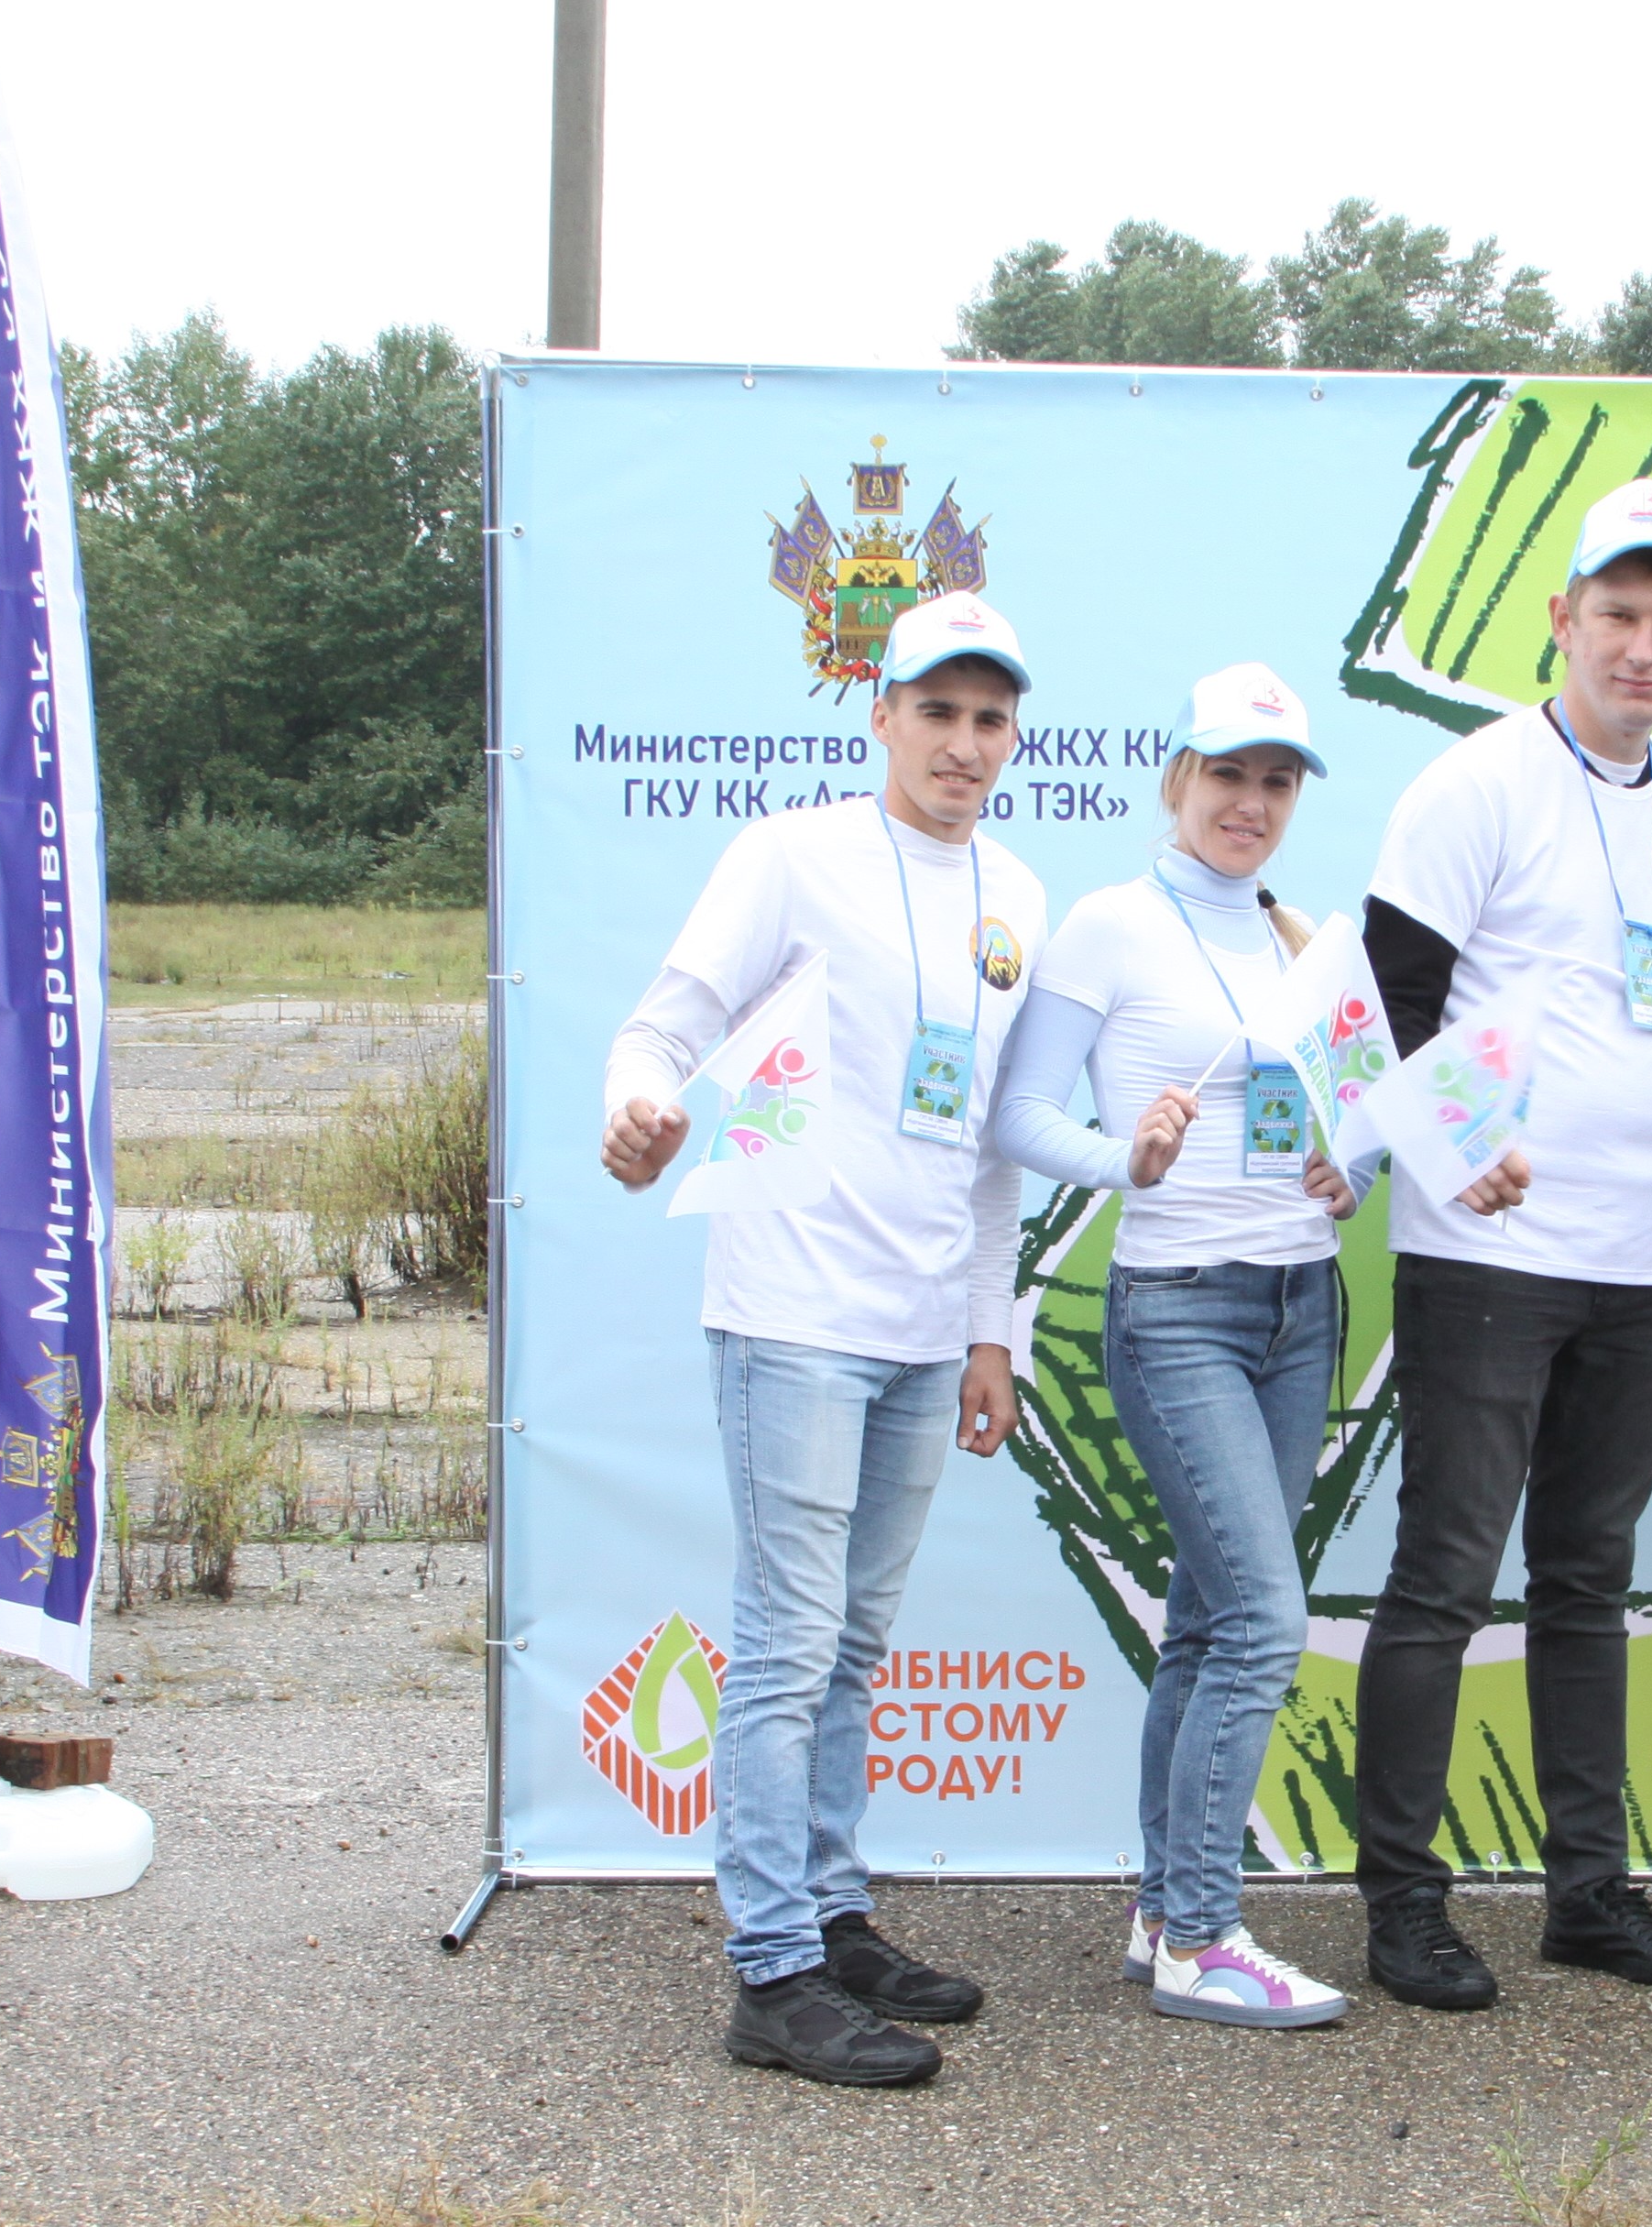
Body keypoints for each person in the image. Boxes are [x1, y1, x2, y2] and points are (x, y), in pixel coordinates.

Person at [599, 591, 1045, 2088]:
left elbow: (994, 1146)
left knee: (854, 1642)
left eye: (990, 719)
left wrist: (987, 1331)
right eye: (938, 712)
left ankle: (837, 1915)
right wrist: (638, 1109)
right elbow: (661, 1028)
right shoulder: (788, 854)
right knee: (791, 1645)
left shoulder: (1018, 896)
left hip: (924, 1331)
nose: (963, 744)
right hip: (792, 1312)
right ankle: (773, 1970)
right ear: (882, 715)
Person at [1347, 477, 1652, 2011]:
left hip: (1636, 1270)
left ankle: (1589, 1895)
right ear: (1561, 618)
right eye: (1617, 613)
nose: (1644, 645)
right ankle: (1403, 1903)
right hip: (1487, 1257)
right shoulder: (1475, 785)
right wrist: (1457, 1145)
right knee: (1445, 1574)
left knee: (1588, 1578)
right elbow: (1388, 995)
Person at [988, 663, 1362, 2029]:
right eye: (1228, 775)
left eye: (1276, 781)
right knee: (1262, 1621)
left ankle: (1162, 1912)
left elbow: (1355, 1114)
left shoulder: (1304, 938)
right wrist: (1122, 1158)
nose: (1250, 802)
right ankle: (1207, 1932)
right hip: (1180, 1307)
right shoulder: (1109, 924)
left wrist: (1348, 1171)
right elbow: (1018, 1113)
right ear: (1178, 780)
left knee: (1210, 1620)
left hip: (1302, 1304)